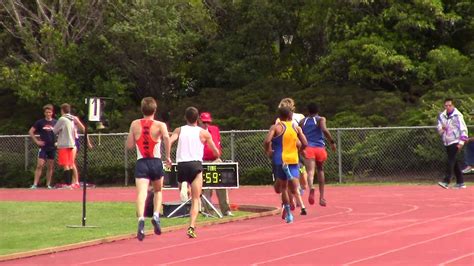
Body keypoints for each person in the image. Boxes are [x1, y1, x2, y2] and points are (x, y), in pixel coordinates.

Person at [169, 107, 220, 238]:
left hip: (181, 164)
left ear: (185, 118)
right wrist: (216, 153)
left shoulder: (179, 130)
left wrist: (168, 157)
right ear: (198, 119)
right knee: (196, 199)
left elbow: (169, 141)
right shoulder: (203, 133)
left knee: (184, 188)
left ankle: (184, 186)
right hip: (196, 165)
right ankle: (191, 226)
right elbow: (216, 151)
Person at [126, 97, 171, 241]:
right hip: (156, 161)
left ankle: (141, 219)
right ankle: (156, 215)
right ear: (155, 110)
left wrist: (133, 134)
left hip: (142, 162)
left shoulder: (134, 124)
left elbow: (130, 145)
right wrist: (168, 157)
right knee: (158, 190)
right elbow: (166, 138)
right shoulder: (160, 125)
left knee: (141, 193)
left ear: (141, 109)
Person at [264, 106, 308, 223]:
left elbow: (267, 141)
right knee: (293, 188)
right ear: (290, 116)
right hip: (293, 159)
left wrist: (268, 151)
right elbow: (305, 142)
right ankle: (289, 176)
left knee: (282, 188)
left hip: (280, 159)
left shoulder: (276, 127)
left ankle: (289, 214)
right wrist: (299, 150)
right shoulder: (296, 127)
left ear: (279, 116)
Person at [300, 103, 336, 207]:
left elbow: (298, 134)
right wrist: (332, 142)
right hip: (320, 148)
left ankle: (311, 187)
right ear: (317, 110)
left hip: (308, 148)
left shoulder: (303, 122)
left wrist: (300, 147)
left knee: (310, 171)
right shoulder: (321, 119)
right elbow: (324, 130)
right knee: (320, 170)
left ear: (308, 110)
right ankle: (322, 197)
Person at [277, 98, 307, 214]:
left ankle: (296, 194)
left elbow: (303, 133)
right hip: (286, 153)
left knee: (301, 178)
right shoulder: (279, 122)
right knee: (288, 180)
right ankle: (291, 201)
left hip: (296, 150)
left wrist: (302, 147)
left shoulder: (299, 117)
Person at [200, 112, 232, 216]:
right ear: (200, 121)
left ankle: (226, 209)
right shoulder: (197, 131)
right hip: (203, 160)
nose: (206, 124)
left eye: (207, 122)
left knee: (222, 185)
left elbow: (217, 143)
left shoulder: (214, 129)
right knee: (206, 188)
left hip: (215, 159)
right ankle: (209, 211)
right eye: (204, 122)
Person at [437, 98, 468, 189]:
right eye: (446, 105)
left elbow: (463, 129)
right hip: (447, 141)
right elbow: (439, 129)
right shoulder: (442, 116)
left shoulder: (458, 115)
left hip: (455, 141)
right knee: (454, 161)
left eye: (450, 105)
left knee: (450, 160)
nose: (448, 107)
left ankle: (446, 181)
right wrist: (442, 129)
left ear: (453, 105)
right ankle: (460, 182)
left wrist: (461, 142)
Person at [29, 104, 57, 189]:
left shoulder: (56, 122)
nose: (48, 114)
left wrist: (58, 142)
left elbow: (61, 132)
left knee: (50, 166)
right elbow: (30, 131)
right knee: (40, 165)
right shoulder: (40, 122)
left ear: (52, 113)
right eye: (47, 112)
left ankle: (48, 184)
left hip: (52, 147)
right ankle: (35, 184)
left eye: (50, 112)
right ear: (44, 113)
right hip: (43, 147)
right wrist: (37, 141)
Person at [53, 103, 76, 187]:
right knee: (70, 164)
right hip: (71, 143)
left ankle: (68, 184)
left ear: (62, 110)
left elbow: (54, 130)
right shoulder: (72, 119)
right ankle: (70, 183)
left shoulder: (62, 119)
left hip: (64, 144)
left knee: (65, 164)